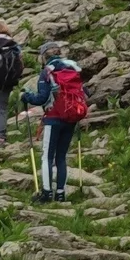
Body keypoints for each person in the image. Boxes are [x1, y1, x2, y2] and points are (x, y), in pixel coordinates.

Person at [24, 41, 87, 199]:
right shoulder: (73, 68)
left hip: (53, 117)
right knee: (61, 157)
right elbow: (85, 92)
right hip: (71, 117)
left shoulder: (47, 72)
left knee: (47, 156)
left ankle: (46, 192)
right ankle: (60, 193)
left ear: (44, 57)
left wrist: (26, 96)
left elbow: (41, 98)